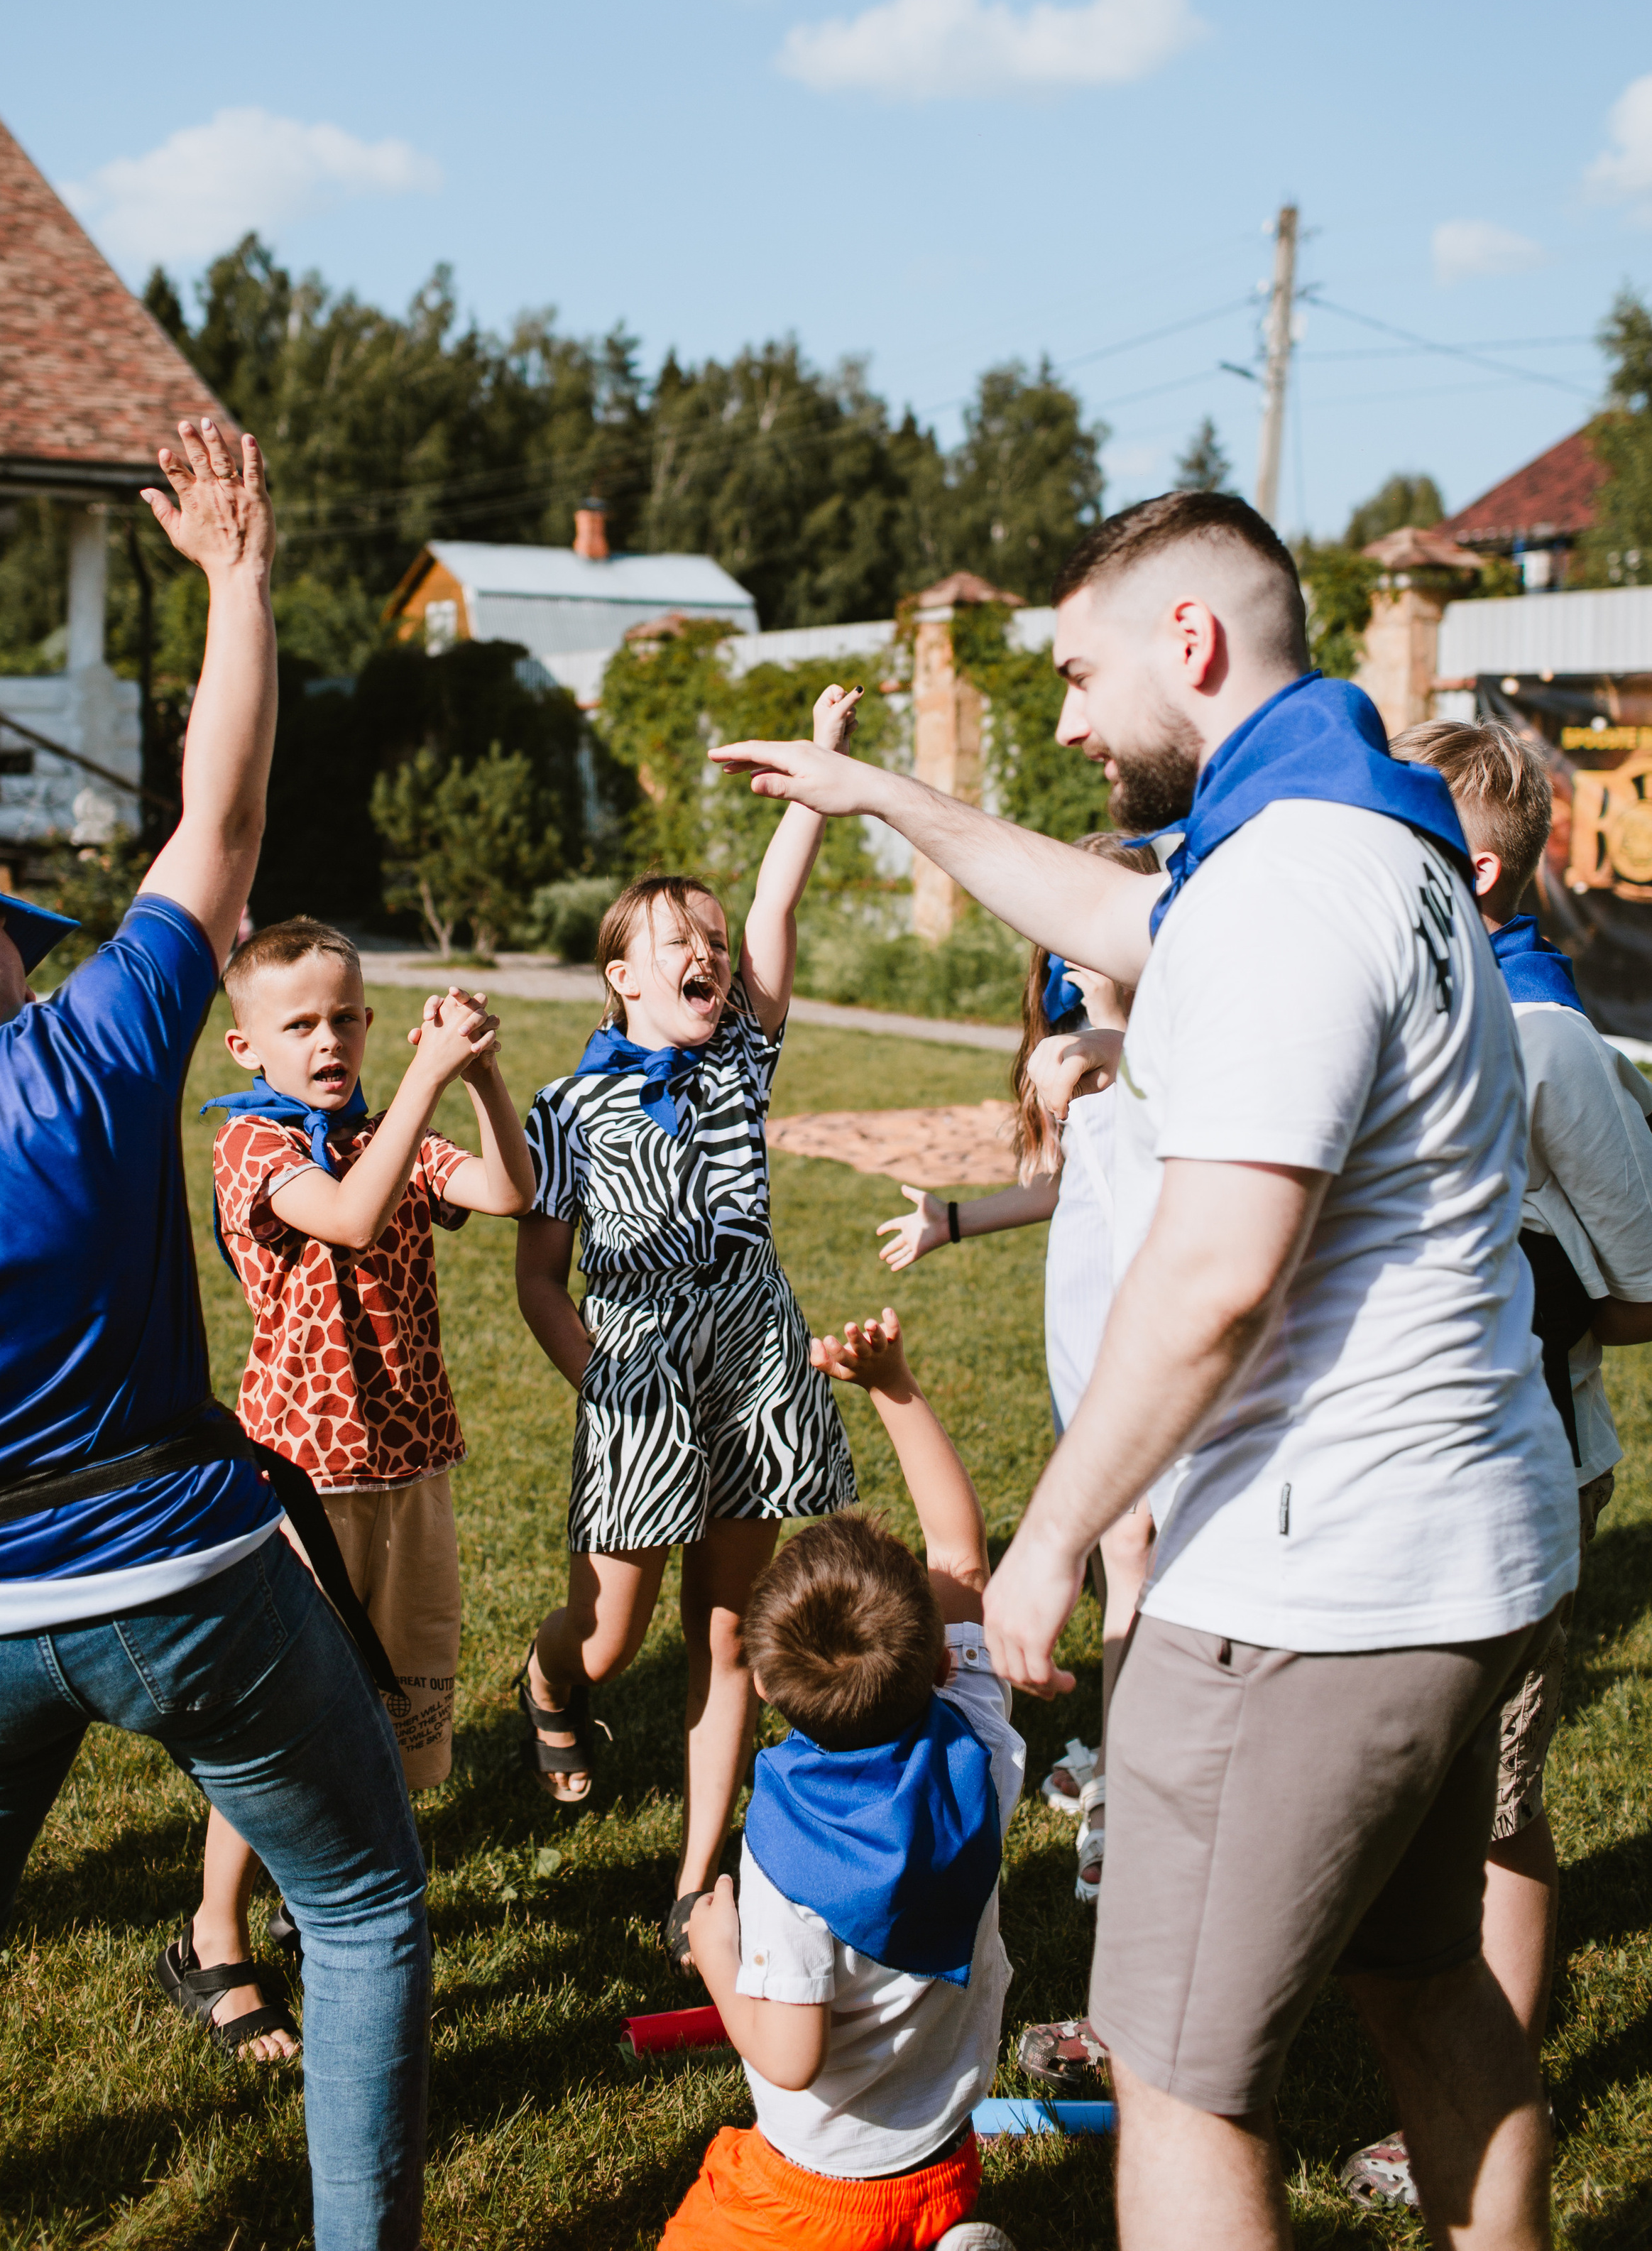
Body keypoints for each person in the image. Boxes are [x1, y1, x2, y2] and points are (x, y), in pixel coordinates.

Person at [713, 489, 1578, 2251]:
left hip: (1308, 1585)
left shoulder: (1283, 888)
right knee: (1423, 1983)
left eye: (1074, 673)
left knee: (1183, 2090)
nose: (1057, 718)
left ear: (1186, 645)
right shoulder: (1372, 843)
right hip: (1463, 1554)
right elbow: (1116, 927)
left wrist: (1044, 1545)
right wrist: (884, 796)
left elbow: (1210, 1276)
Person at [0, 420, 432, 2251]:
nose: (27, 950)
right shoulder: (82, 1067)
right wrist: (239, 579)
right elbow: (221, 826)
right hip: (178, 1585)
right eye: (4, 932)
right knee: (365, 1908)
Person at [1333, 718, 1652, 2211]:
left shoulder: (1544, 1036)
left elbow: (1646, 1278)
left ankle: (1490, 2074)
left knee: (1497, 1792)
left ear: (1464, 867)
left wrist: (1534, 1280)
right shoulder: (1394, 1006)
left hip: (1515, 1461)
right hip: (1389, 1462)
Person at [513, 685, 863, 1969]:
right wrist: (594, 1375)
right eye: (676, 939)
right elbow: (539, 1276)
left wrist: (823, 769)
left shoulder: (743, 1057)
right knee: (609, 1637)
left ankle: (694, 1877)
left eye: (711, 936)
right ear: (621, 974)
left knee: (729, 1633)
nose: (706, 948)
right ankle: (551, 1686)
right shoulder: (562, 1105)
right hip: (638, 1365)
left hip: (754, 1346)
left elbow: (775, 908)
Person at [163, 913, 536, 2061]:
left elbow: (511, 1191)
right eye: (301, 1024)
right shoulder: (252, 1148)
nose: (329, 1041)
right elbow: (353, 1214)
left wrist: (480, 1075)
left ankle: (320, 1892)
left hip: (410, 1459)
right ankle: (211, 1937)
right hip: (302, 1477)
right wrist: (424, 1076)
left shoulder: (391, 1122)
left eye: (347, 1018)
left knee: (385, 1700)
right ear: (247, 1049)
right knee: (280, 1717)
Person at [664, 1307, 1022, 2251]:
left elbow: (790, 2054)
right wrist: (894, 1388)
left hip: (823, 2191)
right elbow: (960, 1557)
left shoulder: (786, 1853)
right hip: (945, 2149)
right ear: (943, 1662)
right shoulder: (980, 1745)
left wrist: (714, 1953)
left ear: (775, 1692)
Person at [877, 833, 1159, 1908]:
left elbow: (1168, 1065)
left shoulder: (1172, 1035)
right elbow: (1062, 1187)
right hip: (1079, 1323)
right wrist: (954, 1220)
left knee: (1130, 1550)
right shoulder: (1069, 1041)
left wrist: (1108, 1054)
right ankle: (1121, 1740)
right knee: (1112, 1554)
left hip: (1150, 1326)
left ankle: (1132, 1804)